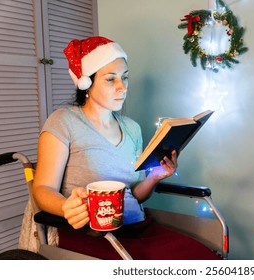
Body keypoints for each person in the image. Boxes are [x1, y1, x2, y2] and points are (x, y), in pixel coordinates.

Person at [31, 36, 221, 260]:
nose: (122, 87)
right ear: (87, 84)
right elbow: (42, 188)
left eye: (125, 78)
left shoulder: (132, 129)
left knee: (203, 257)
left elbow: (135, 195)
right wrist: (66, 208)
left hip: (138, 228)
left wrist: (154, 177)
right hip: (92, 234)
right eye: (111, 79)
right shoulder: (64, 121)